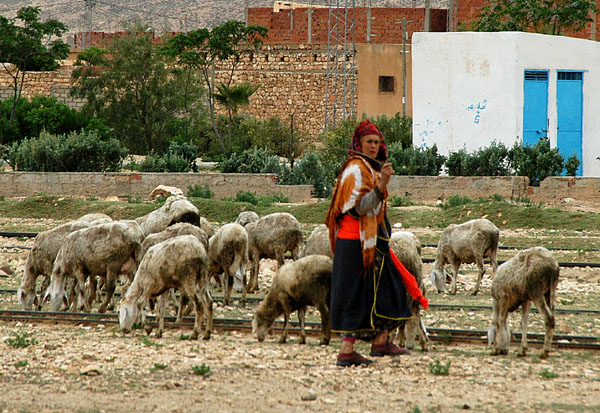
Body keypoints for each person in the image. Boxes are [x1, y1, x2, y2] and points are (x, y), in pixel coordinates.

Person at [325, 119, 427, 367]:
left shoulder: (369, 169)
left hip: (371, 244)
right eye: (369, 142)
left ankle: (381, 341)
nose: (373, 146)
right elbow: (360, 208)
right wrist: (382, 184)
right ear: (359, 144)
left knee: (388, 290)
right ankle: (346, 351)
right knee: (354, 296)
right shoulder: (356, 170)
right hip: (355, 245)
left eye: (376, 142)